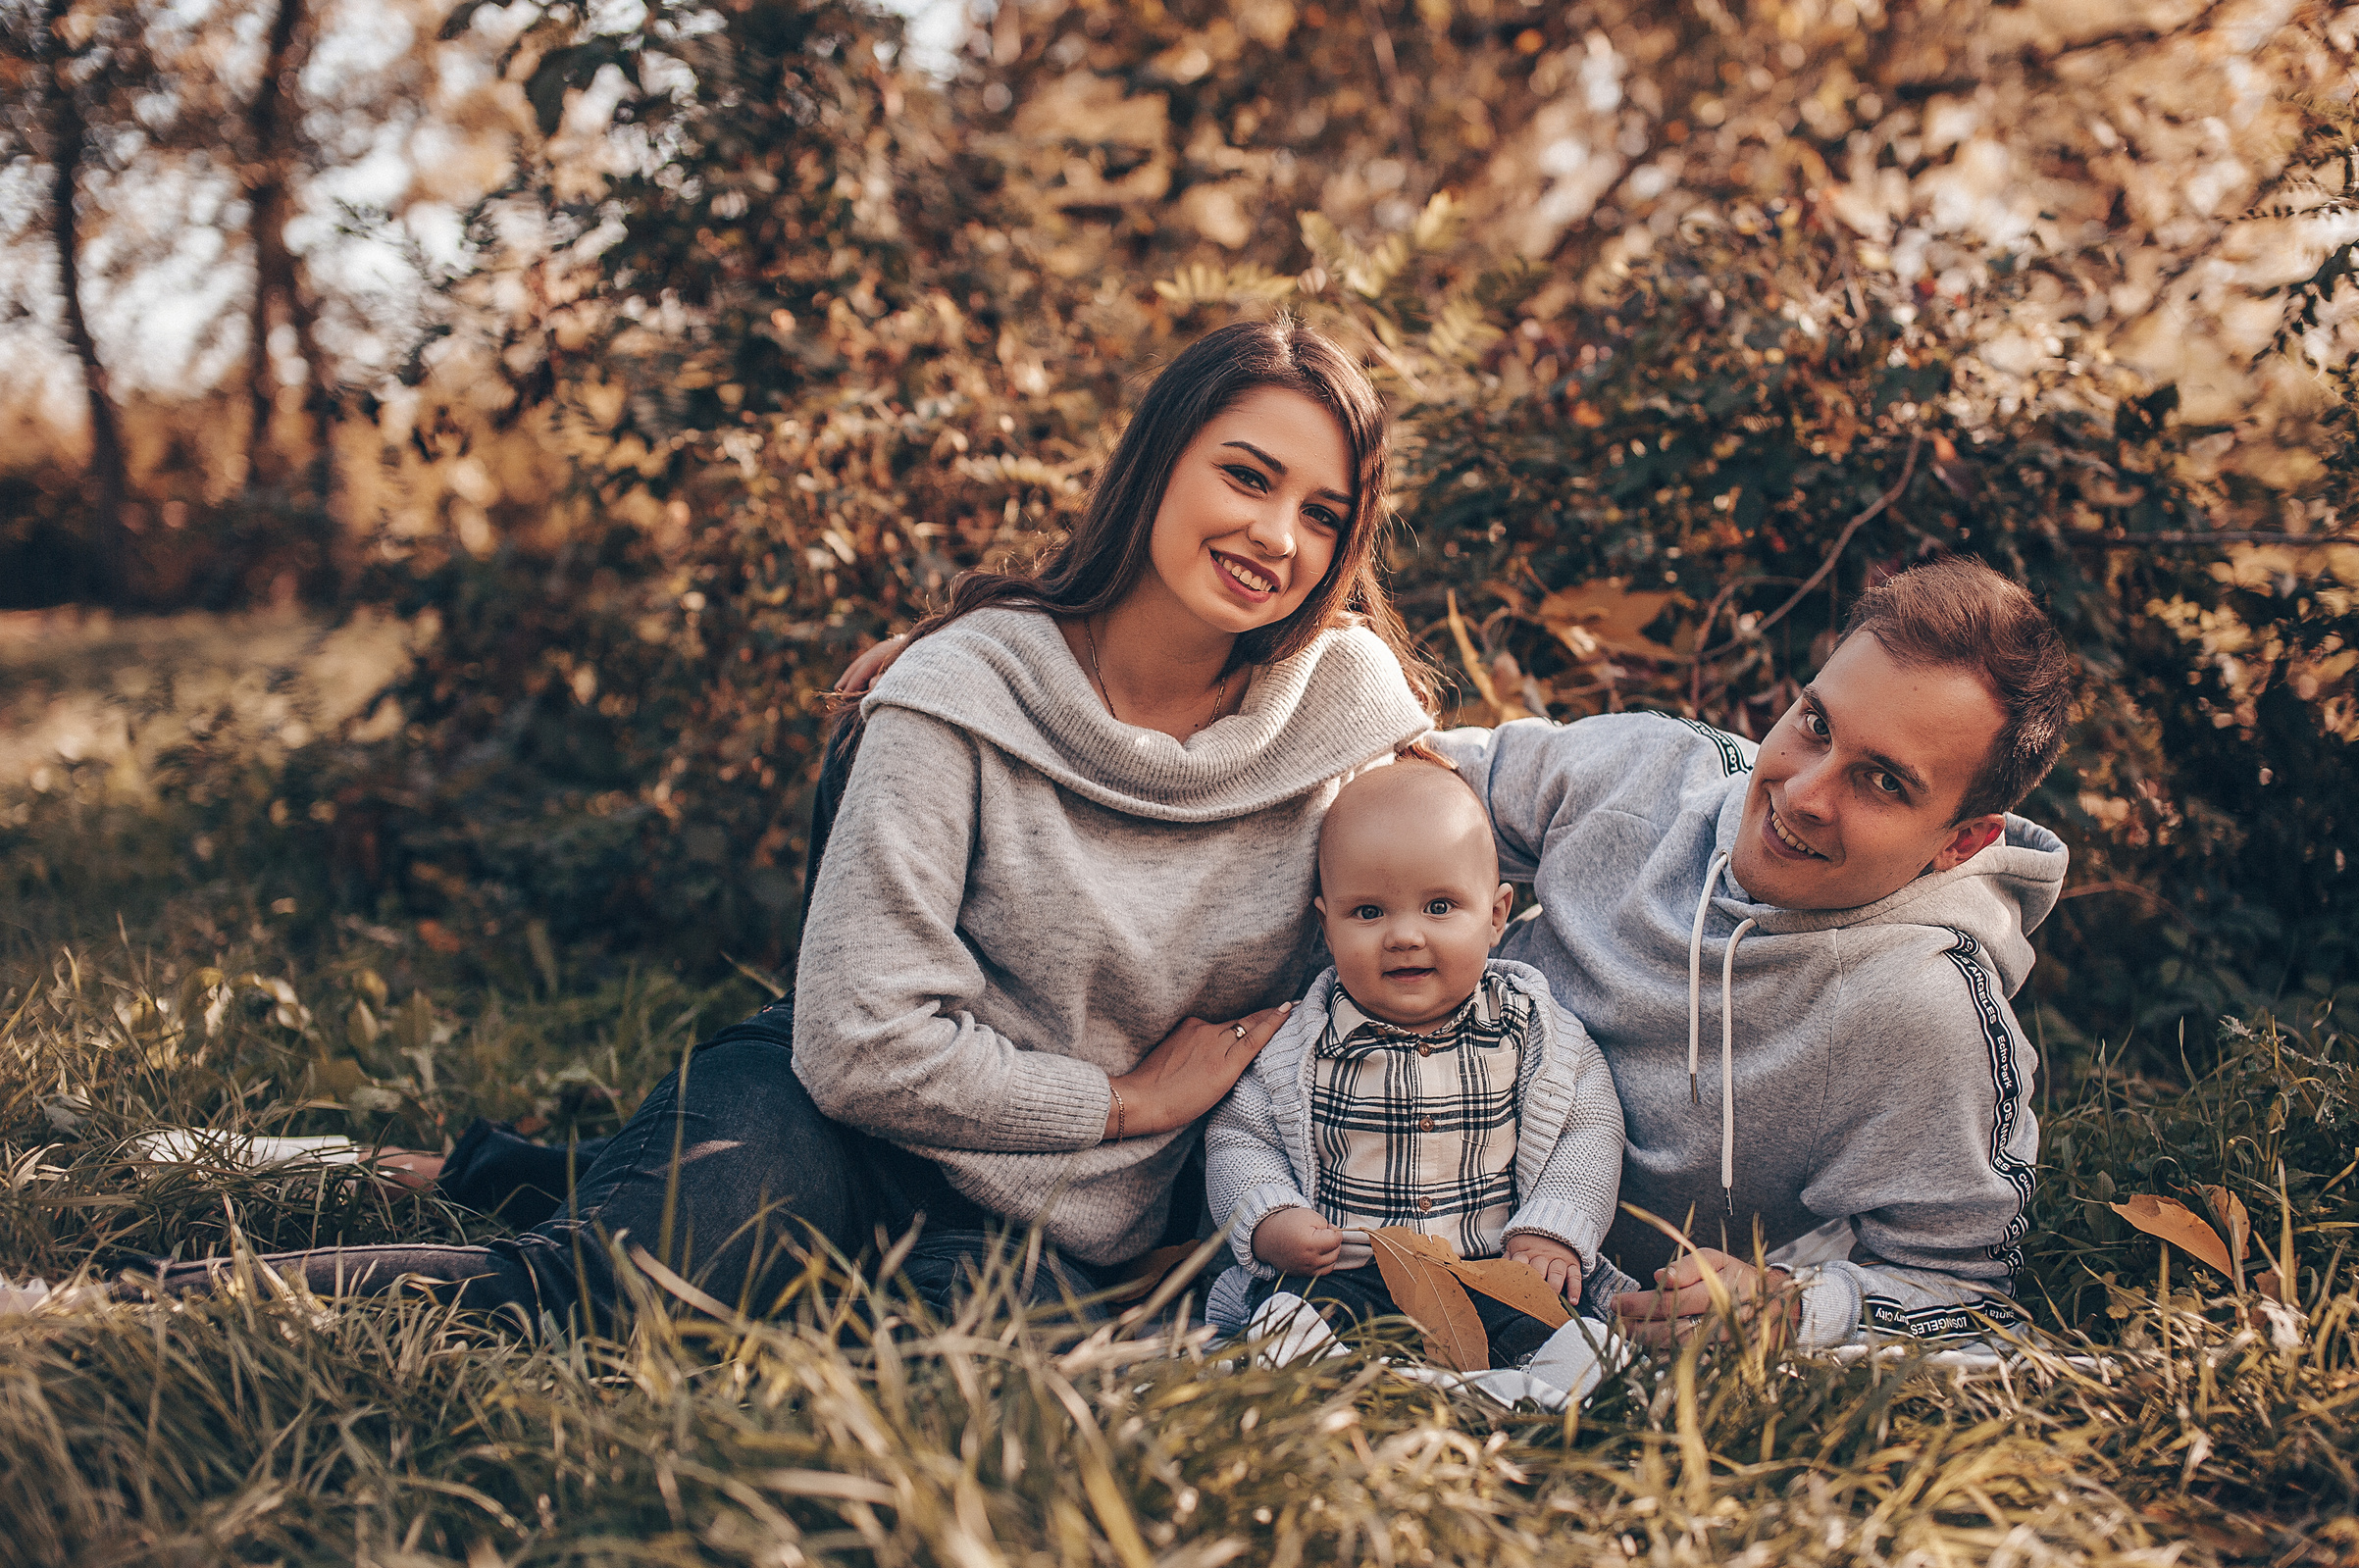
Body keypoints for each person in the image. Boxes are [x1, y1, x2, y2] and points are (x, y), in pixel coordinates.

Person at [126, 315, 1438, 1326]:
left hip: (1058, 1227)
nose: (1277, 534)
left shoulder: (1350, 707)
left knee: (916, 1364)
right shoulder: (964, 692)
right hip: (843, 1116)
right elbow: (860, 1046)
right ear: (1159, 464)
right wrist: (1122, 1098)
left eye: (1322, 511)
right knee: (605, 1287)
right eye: (1247, 475)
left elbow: (1484, 840)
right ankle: (117, 1304)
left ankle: (506, 1163)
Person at [1424, 557, 2075, 1350]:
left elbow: (1966, 1296)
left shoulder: (1925, 1009)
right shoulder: (1648, 772)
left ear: (1963, 841)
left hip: (1567, 1317)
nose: (1804, 792)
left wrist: (1793, 1306)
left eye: (1882, 782)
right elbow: (1403, 784)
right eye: (1817, 725)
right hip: (1330, 1172)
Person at [1200, 756, 1631, 1363]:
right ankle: (1315, 1379)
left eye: (1439, 907)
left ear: (1496, 915)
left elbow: (1589, 1128)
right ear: (1327, 927)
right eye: (1369, 912)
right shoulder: (1299, 1045)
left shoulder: (1533, 1031)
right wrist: (1270, 1217)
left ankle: (1539, 1391)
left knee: (1565, 1336)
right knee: (1288, 1321)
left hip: (1490, 1272)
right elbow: (1240, 1139)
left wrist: (1552, 1227)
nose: (1404, 936)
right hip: (1348, 1273)